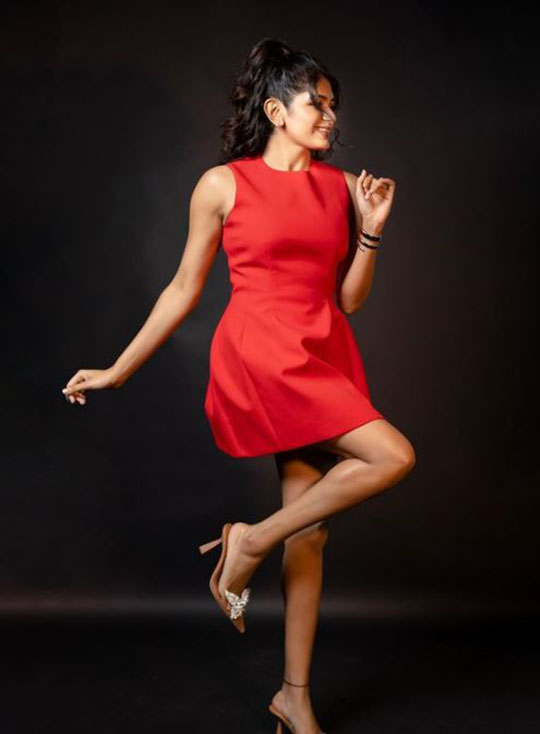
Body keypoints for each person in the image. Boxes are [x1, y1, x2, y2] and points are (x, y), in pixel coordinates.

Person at [62, 37, 416, 734]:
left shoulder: (345, 187)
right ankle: (248, 545)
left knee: (309, 532)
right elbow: (183, 288)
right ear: (277, 111)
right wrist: (118, 369)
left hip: (325, 349)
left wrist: (371, 232)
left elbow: (348, 300)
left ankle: (293, 697)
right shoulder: (223, 185)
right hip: (263, 352)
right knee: (392, 456)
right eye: (317, 103)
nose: (330, 116)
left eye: (334, 105)